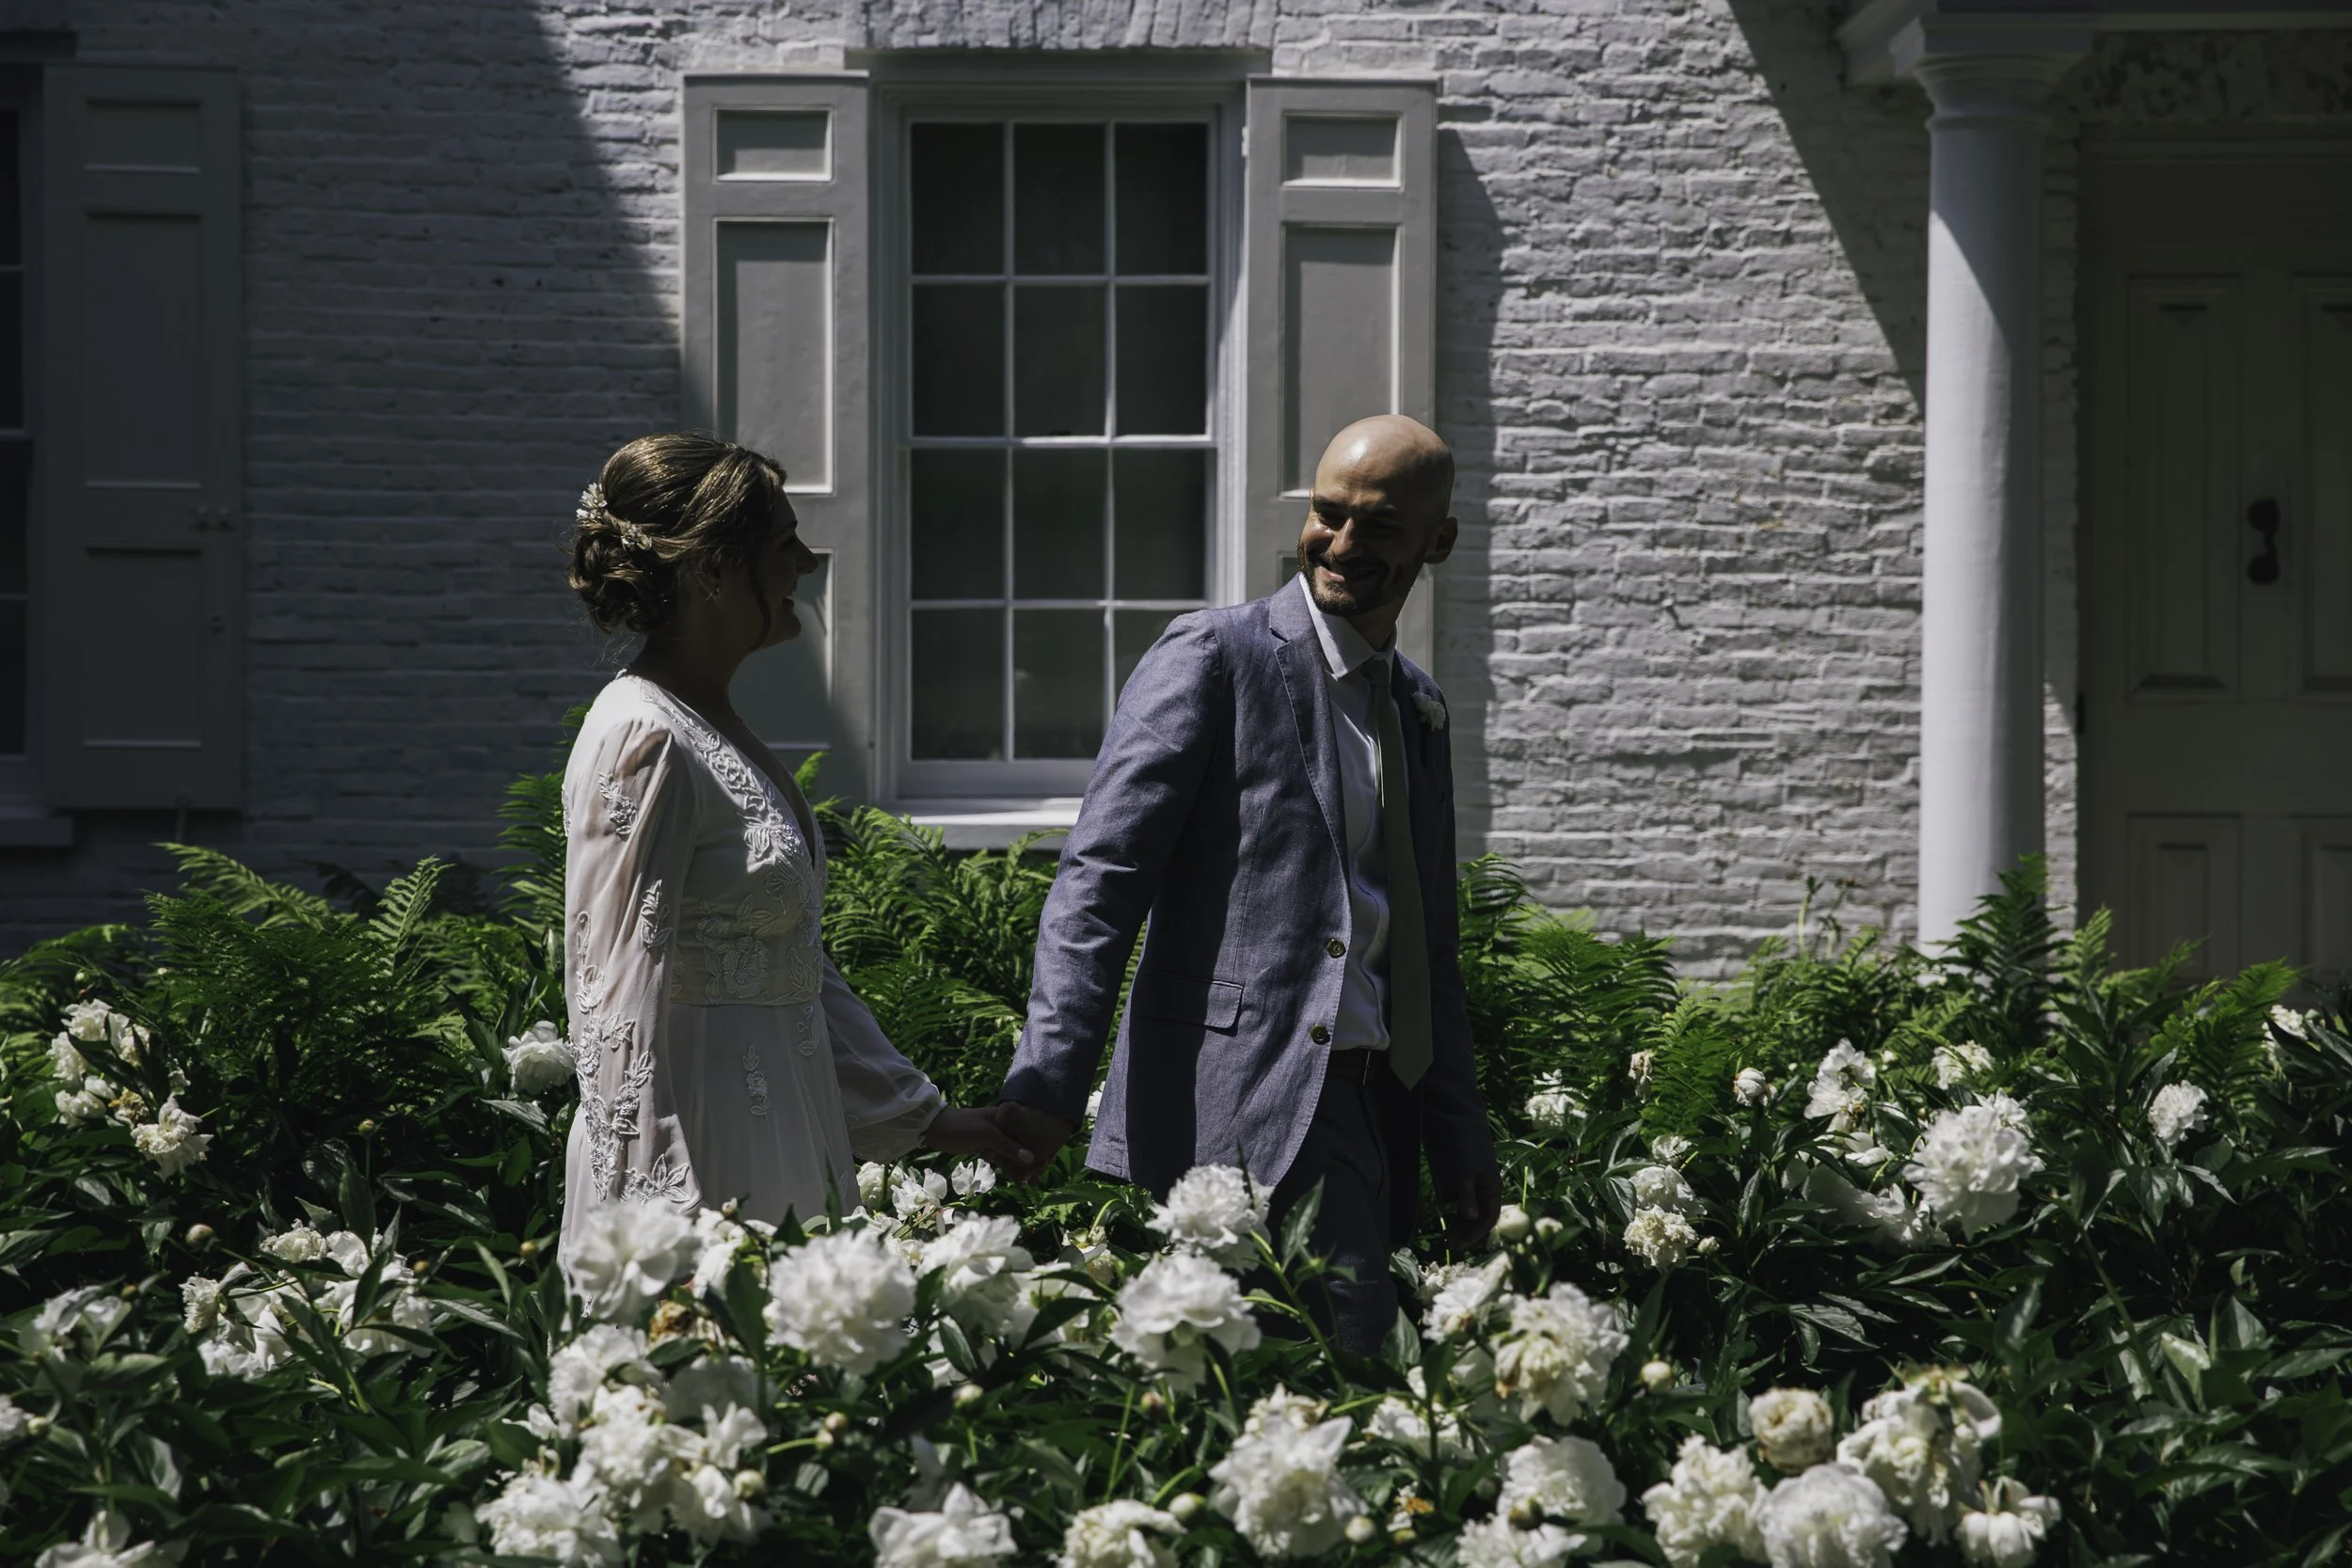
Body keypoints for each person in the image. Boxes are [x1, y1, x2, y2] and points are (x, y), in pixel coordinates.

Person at [996, 415, 1502, 1352]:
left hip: (1365, 1111)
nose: (1340, 544)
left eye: (1379, 526)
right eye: (1327, 512)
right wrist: (1047, 1082)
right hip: (1224, 1105)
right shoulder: (1215, 657)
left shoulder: (1415, 707)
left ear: (1438, 541)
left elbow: (1426, 947)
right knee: (1263, 1397)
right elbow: (1101, 878)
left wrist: (1456, 1136)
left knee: (1326, 1403)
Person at [558, 432, 1023, 1250]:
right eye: (784, 543)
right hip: (701, 1164)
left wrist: (931, 1119)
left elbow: (791, 968)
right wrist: (664, 1232)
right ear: (710, 569)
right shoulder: (644, 738)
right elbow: (612, 1006)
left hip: (783, 1128)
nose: (805, 562)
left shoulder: (714, 726)